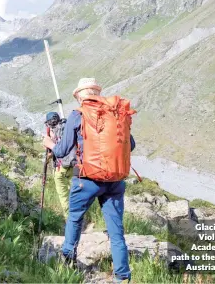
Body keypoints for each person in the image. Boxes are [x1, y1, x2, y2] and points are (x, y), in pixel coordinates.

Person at [42, 78, 136, 284]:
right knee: (116, 230)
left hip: (87, 179)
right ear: (97, 93)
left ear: (79, 96)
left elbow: (61, 150)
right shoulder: (115, 113)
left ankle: (67, 261)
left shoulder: (78, 115)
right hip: (115, 180)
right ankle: (122, 276)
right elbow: (131, 145)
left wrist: (49, 142)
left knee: (75, 218)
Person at [45, 112, 75, 216]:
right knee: (76, 192)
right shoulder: (67, 129)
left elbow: (59, 150)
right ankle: (80, 217)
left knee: (63, 195)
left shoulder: (53, 132)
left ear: (49, 123)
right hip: (74, 165)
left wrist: (50, 153)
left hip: (60, 167)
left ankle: (69, 219)